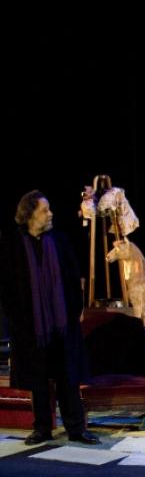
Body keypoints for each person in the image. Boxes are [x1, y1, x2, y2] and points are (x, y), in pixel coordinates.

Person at [0, 190, 100, 445]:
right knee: (38, 379)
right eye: (44, 210)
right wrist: (17, 321)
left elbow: (74, 277)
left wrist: (74, 312)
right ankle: (41, 428)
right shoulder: (12, 245)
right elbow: (7, 288)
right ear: (30, 215)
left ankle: (76, 428)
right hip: (31, 326)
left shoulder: (59, 240)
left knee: (68, 377)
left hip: (62, 323)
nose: (50, 214)